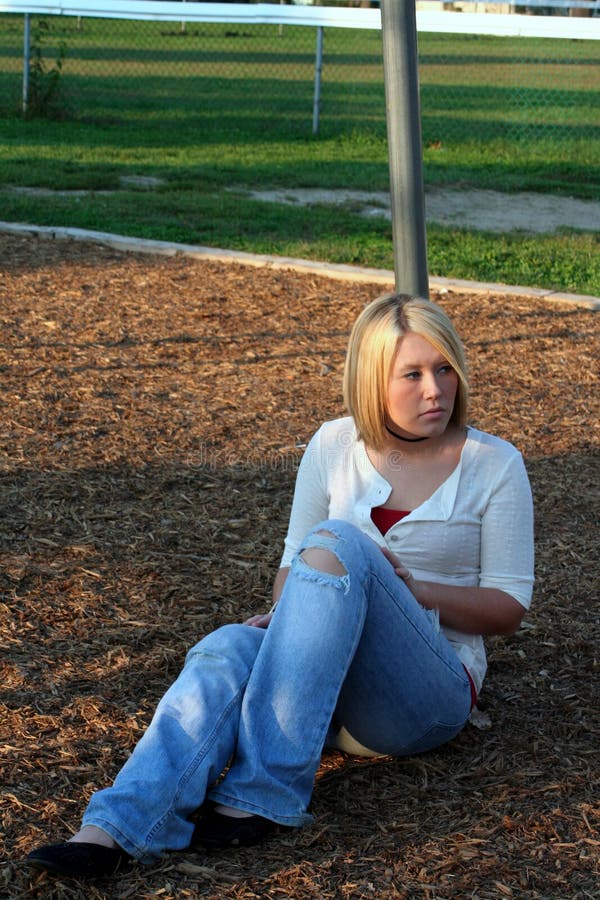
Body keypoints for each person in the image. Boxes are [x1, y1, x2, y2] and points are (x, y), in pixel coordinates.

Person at [26, 293, 534, 879]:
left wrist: (417, 593)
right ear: (371, 380)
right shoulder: (332, 445)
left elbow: (508, 607)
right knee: (228, 646)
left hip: (426, 697)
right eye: (413, 374)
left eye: (445, 368)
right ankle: (114, 829)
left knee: (343, 539)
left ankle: (263, 792)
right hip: (319, 695)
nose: (435, 389)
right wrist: (300, 610)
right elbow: (294, 565)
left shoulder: (494, 463)